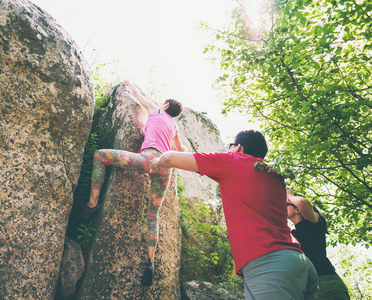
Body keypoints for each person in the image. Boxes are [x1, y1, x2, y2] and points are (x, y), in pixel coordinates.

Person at [148, 129, 318, 299]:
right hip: (300, 263)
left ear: (238, 148)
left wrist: (155, 162)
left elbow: (169, 158)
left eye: (231, 146)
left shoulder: (233, 161)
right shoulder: (274, 176)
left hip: (268, 264)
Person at [82, 80, 185, 287]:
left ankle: (92, 203)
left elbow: (137, 94)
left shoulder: (155, 110)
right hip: (164, 169)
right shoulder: (173, 127)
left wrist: (127, 83)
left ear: (165, 106)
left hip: (147, 159)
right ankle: (150, 262)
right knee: (152, 214)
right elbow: (181, 153)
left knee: (100, 156)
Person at [287, 188, 350, 299]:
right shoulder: (292, 234)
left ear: (297, 210)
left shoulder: (313, 224)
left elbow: (302, 203)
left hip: (326, 283)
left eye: (286, 204)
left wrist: (289, 194)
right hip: (308, 287)